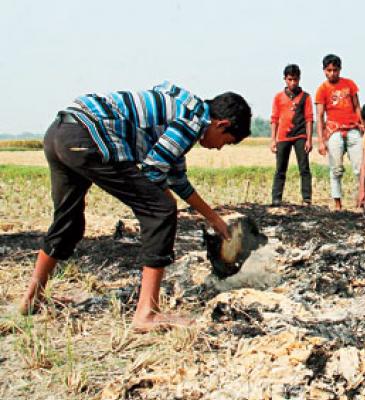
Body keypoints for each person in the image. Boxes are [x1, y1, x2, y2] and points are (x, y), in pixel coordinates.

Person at [19, 82, 252, 331]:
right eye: (225, 141)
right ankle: (146, 314)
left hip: (62, 132)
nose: (218, 148)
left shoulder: (186, 111)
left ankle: (32, 298)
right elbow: (153, 171)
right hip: (90, 136)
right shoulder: (193, 121)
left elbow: (176, 178)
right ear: (221, 124)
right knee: (161, 210)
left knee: (69, 220)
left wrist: (214, 219)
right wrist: (166, 204)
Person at [315, 54, 363, 211]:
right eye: (329, 70)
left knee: (360, 168)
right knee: (336, 169)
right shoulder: (322, 90)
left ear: (340, 69)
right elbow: (320, 116)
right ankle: (337, 203)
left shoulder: (349, 84)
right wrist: (321, 141)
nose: (332, 73)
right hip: (334, 131)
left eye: (335, 70)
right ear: (324, 71)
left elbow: (357, 106)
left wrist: (363, 125)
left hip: (353, 129)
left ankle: (362, 200)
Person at [270, 64, 314, 206]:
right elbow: (274, 119)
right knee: (280, 169)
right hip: (283, 137)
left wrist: (309, 139)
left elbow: (309, 118)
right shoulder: (278, 97)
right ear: (285, 79)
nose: (293, 83)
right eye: (290, 80)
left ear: (299, 79)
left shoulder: (305, 97)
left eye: (295, 79)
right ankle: (276, 199)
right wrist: (273, 140)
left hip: (300, 136)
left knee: (304, 168)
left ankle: (306, 198)